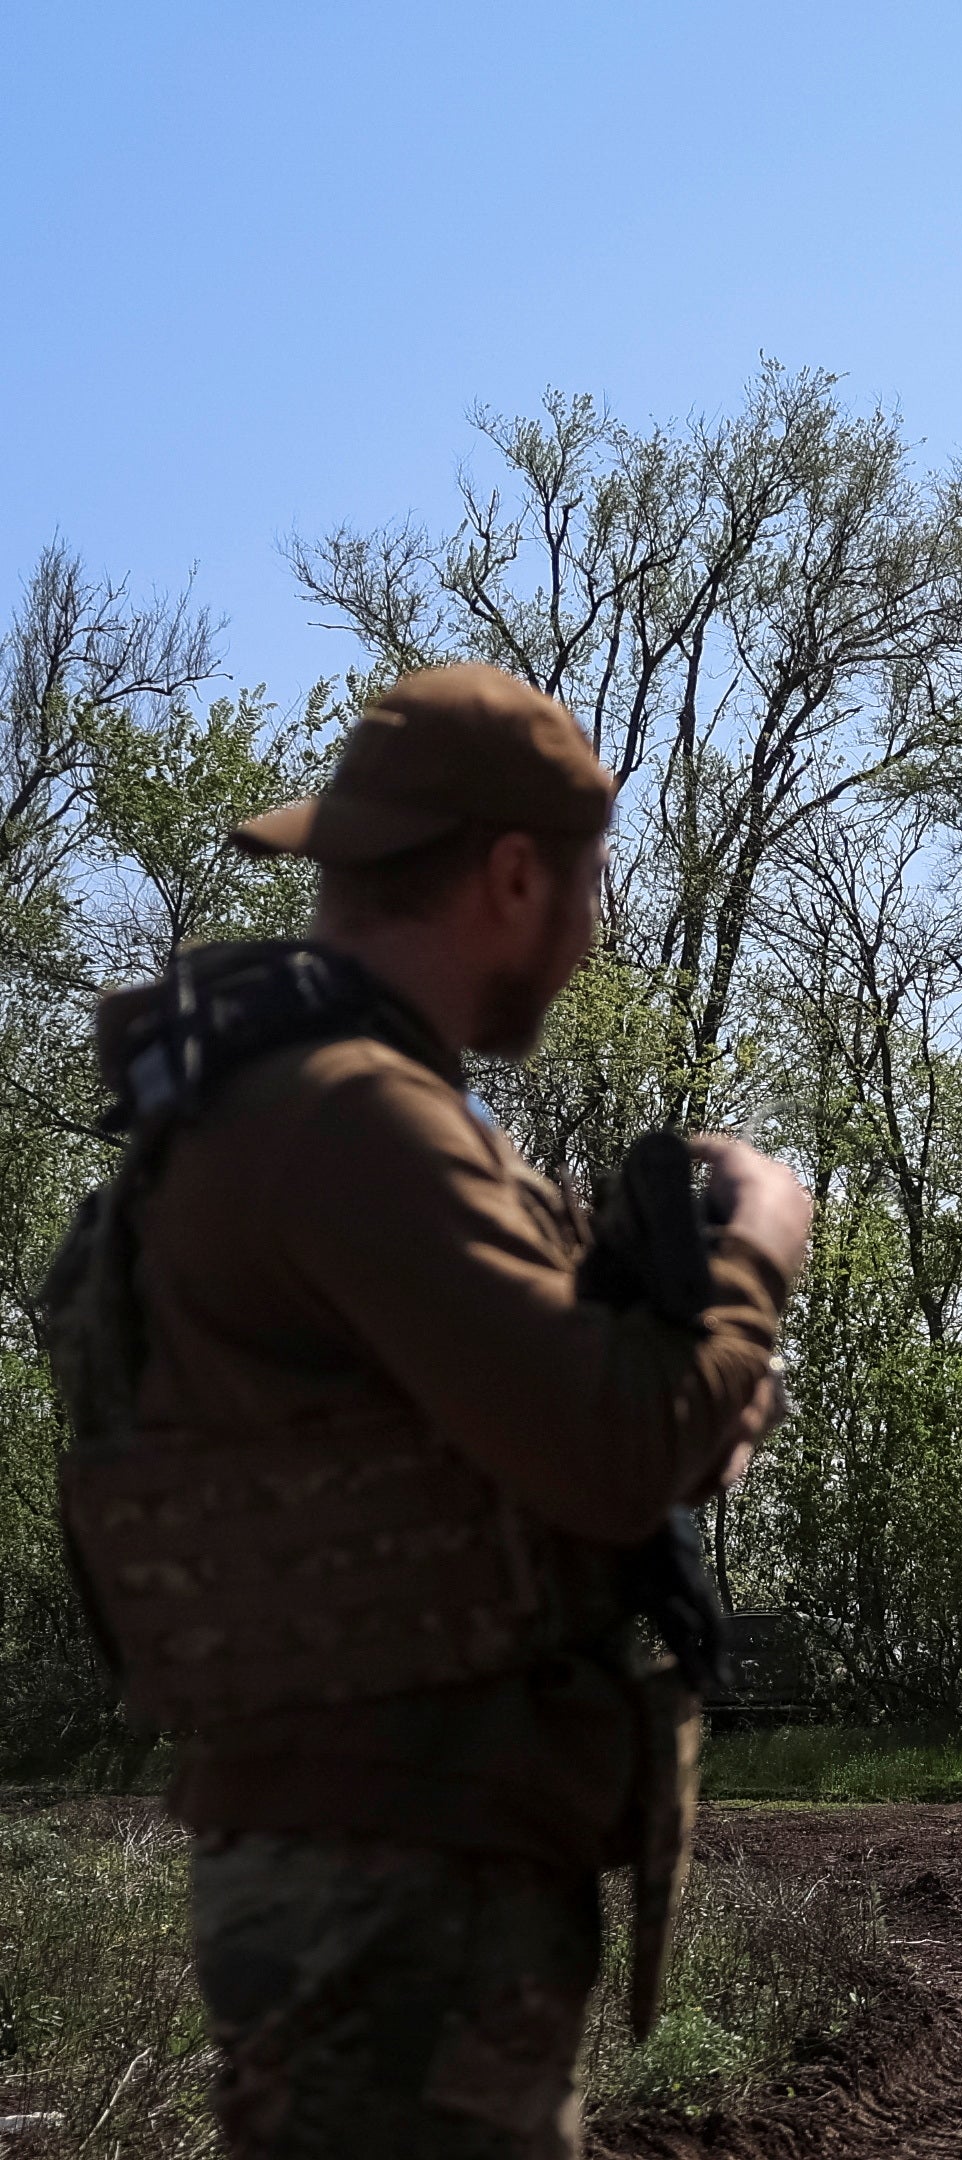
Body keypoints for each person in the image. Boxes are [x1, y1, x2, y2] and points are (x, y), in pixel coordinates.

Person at [49, 663, 812, 2158]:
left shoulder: (312, 1107)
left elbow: (576, 1435)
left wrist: (689, 1378)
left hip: (396, 1866)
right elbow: (609, 1450)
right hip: (397, 1890)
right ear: (515, 874)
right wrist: (761, 1245)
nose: (591, 938)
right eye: (588, 893)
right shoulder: (353, 1120)